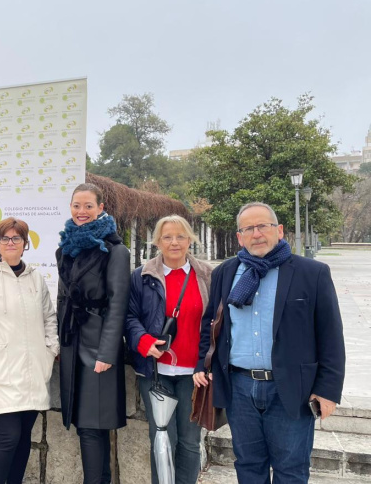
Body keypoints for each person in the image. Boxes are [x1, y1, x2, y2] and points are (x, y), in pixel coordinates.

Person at [194, 202, 345, 483]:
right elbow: (211, 325)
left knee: (291, 470)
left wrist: (327, 390)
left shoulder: (312, 273)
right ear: (239, 237)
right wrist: (202, 362)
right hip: (240, 388)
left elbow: (331, 335)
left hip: (290, 390)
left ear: (279, 230)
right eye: (248, 228)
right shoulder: (225, 273)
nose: (257, 233)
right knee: (249, 467)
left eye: (263, 225)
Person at [0, 217, 59, 484]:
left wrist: (50, 349)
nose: (10, 243)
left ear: (25, 244)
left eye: (16, 238)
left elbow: (49, 317)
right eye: (4, 238)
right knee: (8, 437)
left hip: (33, 371)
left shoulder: (36, 278)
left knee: (23, 438)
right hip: (0, 371)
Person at [123, 215, 213, 484]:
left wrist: (208, 363)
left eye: (180, 236)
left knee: (188, 440)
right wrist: (143, 341)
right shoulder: (141, 276)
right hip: (155, 372)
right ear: (157, 242)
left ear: (190, 240)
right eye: (167, 237)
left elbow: (216, 322)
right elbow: (129, 317)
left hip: (193, 373)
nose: (174, 242)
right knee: (162, 439)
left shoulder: (207, 275)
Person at [55, 183, 129, 484]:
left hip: (99, 344)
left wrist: (106, 353)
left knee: (92, 425)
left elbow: (118, 302)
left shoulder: (115, 249)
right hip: (73, 341)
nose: (81, 212)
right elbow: (62, 299)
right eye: (76, 205)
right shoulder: (66, 249)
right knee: (86, 424)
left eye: (88, 206)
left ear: (101, 208)